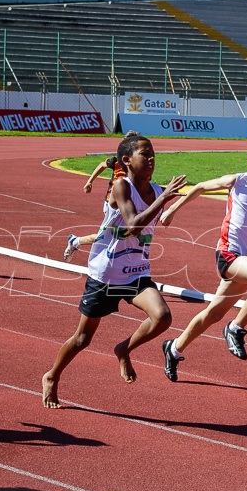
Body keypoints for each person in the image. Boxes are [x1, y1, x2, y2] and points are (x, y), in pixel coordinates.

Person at [41, 134, 186, 408]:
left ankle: (123, 349)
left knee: (163, 317)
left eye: (153, 152)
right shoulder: (122, 186)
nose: (152, 158)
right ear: (127, 161)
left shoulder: (157, 191)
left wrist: (173, 200)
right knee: (82, 339)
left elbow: (160, 219)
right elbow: (133, 225)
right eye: (145, 154)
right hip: (105, 275)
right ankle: (52, 375)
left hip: (136, 272)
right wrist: (163, 198)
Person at [158, 135, 247, 382]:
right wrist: (171, 209)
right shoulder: (238, 181)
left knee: (213, 313)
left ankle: (174, 348)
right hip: (230, 254)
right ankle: (235, 329)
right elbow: (200, 187)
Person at [63, 131, 138, 262]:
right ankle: (76, 241)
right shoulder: (116, 161)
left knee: (121, 235)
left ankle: (77, 241)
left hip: (127, 202)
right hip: (112, 204)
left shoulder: (137, 163)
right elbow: (101, 165)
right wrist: (89, 181)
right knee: (106, 236)